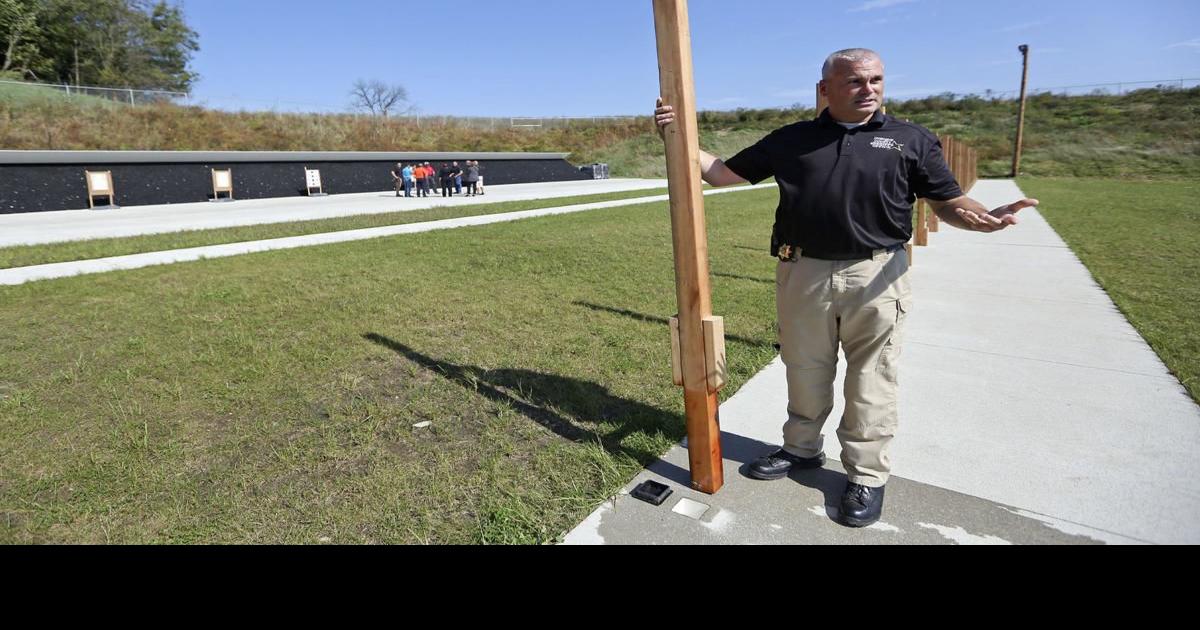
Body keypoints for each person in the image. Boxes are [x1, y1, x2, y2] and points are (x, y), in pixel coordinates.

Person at [654, 48, 1037, 528]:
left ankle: (867, 477)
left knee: (872, 378)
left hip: (877, 276)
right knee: (804, 368)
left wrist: (981, 220)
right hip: (803, 273)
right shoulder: (792, 140)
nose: (869, 89)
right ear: (825, 90)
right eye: (855, 81)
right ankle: (800, 449)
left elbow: (950, 202)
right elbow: (721, 174)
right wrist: (678, 134)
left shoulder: (910, 139)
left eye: (876, 79)